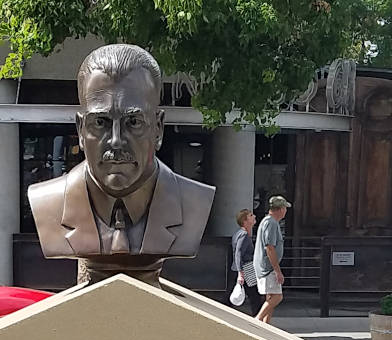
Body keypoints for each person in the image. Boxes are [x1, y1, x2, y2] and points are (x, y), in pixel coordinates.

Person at [27, 44, 215, 285]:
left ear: (158, 128)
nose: (116, 141)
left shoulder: (194, 201)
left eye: (134, 122)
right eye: (101, 122)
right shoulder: (47, 200)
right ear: (81, 130)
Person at [254, 196, 291, 324]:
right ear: (280, 209)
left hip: (265, 266)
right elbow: (269, 247)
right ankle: (258, 319)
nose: (286, 211)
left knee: (270, 296)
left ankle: (265, 323)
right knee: (277, 296)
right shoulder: (271, 223)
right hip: (268, 267)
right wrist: (277, 270)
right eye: (285, 208)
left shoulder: (267, 221)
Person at [231, 209, 262, 316]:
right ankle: (258, 319)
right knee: (255, 297)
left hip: (241, 269)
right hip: (245, 269)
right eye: (251, 215)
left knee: (251, 296)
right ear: (245, 220)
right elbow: (238, 253)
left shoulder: (240, 234)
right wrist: (241, 273)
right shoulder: (243, 235)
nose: (254, 216)